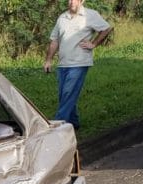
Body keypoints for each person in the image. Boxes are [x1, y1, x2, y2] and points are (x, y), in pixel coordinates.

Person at [43, 0, 112, 130]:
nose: (70, 2)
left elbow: (106, 28)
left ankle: (55, 127)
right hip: (63, 64)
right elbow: (54, 40)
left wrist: (94, 44)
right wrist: (48, 60)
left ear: (81, 1)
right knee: (64, 95)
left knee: (68, 94)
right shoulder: (62, 18)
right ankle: (74, 123)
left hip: (79, 63)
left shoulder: (90, 15)